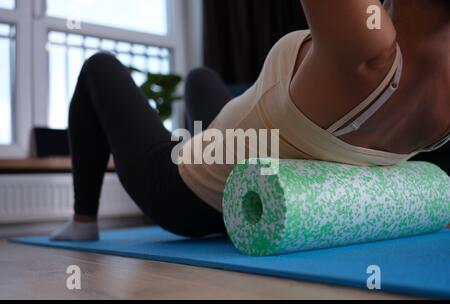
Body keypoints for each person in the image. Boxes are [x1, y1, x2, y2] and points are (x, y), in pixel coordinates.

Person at [50, 0, 449, 241]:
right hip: (255, 165)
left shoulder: (368, 45)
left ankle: (83, 220)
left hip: (183, 195)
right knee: (200, 79)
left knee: (98, 67)